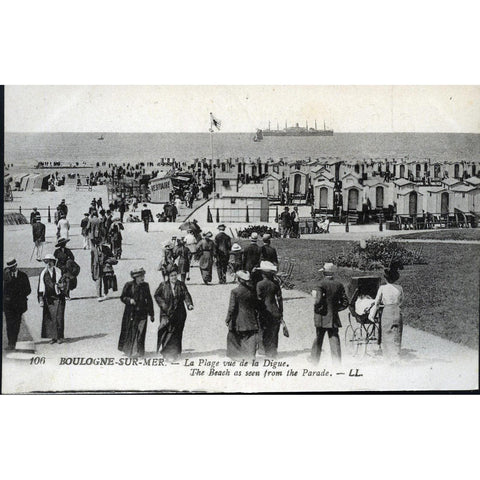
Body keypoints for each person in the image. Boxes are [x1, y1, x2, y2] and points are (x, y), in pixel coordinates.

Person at [311, 263, 349, 365]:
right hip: (333, 316)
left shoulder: (320, 284)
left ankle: (314, 362)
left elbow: (318, 301)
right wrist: (336, 309)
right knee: (334, 338)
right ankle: (337, 364)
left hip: (321, 316)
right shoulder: (339, 285)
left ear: (324, 272)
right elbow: (345, 302)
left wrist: (317, 309)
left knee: (318, 338)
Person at [154, 265, 194, 361]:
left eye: (175, 275)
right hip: (166, 313)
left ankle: (176, 352)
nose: (174, 277)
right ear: (168, 276)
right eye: (172, 276)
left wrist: (189, 304)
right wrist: (163, 305)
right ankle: (167, 353)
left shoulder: (181, 284)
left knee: (177, 333)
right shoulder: (163, 285)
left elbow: (186, 294)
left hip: (179, 313)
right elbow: (157, 295)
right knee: (167, 332)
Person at [368, 267, 404, 361]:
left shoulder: (382, 288)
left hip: (387, 311)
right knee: (397, 333)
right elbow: (402, 300)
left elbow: (377, 303)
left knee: (386, 334)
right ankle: (396, 356)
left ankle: (388, 358)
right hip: (397, 310)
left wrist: (372, 315)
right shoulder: (399, 288)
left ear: (386, 278)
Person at [118, 268, 154, 357]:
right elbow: (122, 297)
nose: (143, 278)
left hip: (143, 313)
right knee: (132, 332)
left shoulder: (146, 285)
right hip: (131, 313)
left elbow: (149, 299)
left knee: (141, 332)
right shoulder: (129, 285)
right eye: (141, 276)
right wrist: (129, 300)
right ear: (135, 277)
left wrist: (151, 313)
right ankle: (131, 351)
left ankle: (138, 351)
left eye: (143, 276)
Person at [225, 270, 259, 360]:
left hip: (238, 318)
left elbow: (232, 308)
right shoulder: (252, 291)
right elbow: (256, 305)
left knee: (233, 336)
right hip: (251, 317)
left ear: (239, 279)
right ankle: (250, 356)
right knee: (250, 336)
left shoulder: (235, 291)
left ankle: (236, 356)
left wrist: (228, 319)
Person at [256, 261, 285, 358]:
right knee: (274, 332)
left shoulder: (259, 284)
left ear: (263, 273)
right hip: (275, 309)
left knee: (263, 330)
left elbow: (258, 299)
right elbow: (280, 298)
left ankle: (263, 349)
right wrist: (281, 311)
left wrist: (257, 310)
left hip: (265, 310)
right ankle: (273, 350)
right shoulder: (275, 284)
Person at [3, 259, 31, 350]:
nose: (11, 269)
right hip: (8, 305)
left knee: (16, 324)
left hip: (19, 305)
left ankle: (13, 342)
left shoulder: (23, 276)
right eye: (10, 268)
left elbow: (28, 290)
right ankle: (11, 343)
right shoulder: (5, 277)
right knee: (9, 324)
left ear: (16, 266)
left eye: (13, 267)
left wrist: (20, 295)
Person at [38, 254, 66, 344]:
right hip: (49, 298)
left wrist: (62, 286)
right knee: (50, 318)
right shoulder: (43, 273)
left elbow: (64, 282)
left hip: (59, 297)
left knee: (59, 317)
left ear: (54, 262)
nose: (48, 263)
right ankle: (53, 337)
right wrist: (41, 299)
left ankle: (60, 337)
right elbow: (40, 287)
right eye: (46, 261)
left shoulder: (59, 271)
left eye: (50, 261)